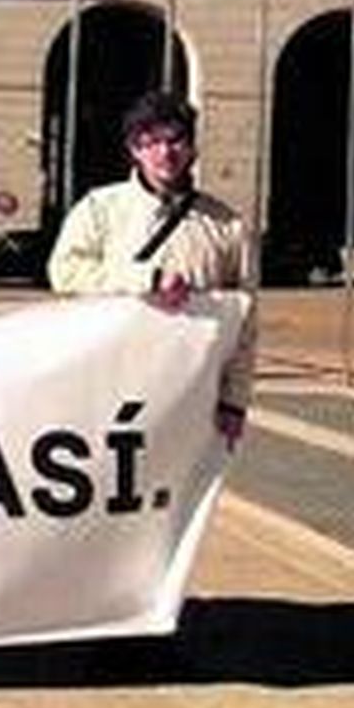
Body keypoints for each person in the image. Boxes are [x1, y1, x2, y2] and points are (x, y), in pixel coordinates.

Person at [48, 91, 253, 447]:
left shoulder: (226, 226)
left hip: (190, 392)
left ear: (192, 147)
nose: (165, 152)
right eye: (151, 142)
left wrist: (234, 400)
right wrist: (146, 280)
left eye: (175, 140)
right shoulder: (100, 209)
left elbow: (246, 319)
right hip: (110, 384)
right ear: (134, 150)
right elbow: (64, 273)